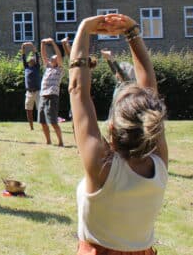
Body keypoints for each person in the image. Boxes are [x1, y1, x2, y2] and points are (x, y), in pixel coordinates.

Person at [69, 14, 167, 255]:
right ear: (151, 128)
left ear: (111, 129)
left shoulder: (103, 168)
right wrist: (132, 33)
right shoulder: (159, 163)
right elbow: (149, 92)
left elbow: (78, 91)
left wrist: (84, 29)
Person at [39, 38, 65, 147]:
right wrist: (42, 44)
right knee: (42, 121)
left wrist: (53, 43)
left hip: (52, 96)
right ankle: (48, 141)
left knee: (53, 122)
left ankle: (60, 141)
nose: (51, 59)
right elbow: (43, 55)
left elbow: (58, 54)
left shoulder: (59, 69)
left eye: (53, 58)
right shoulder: (48, 68)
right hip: (43, 96)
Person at [21, 42, 41, 131]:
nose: (31, 61)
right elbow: (23, 57)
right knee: (28, 110)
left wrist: (32, 46)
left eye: (33, 60)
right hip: (29, 92)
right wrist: (23, 47)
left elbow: (37, 55)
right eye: (30, 60)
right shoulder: (26, 68)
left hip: (37, 92)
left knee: (40, 109)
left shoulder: (37, 67)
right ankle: (31, 127)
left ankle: (42, 125)